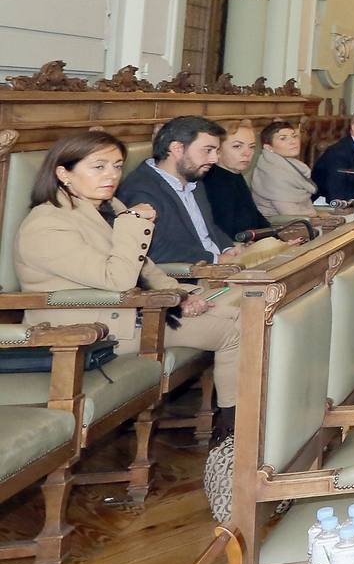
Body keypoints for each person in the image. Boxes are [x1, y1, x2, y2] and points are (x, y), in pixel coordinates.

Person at [16, 131, 245, 442]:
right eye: (99, 167)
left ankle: (245, 418)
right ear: (63, 173)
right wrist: (133, 223)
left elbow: (145, 268)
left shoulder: (103, 206)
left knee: (246, 307)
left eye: (117, 166)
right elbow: (118, 280)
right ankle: (232, 431)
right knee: (233, 332)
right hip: (86, 330)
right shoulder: (48, 224)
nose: (111, 175)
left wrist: (181, 295)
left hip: (132, 313)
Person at [115, 115, 241, 265]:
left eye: (216, 151)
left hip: (219, 266)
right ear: (177, 149)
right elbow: (153, 250)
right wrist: (215, 259)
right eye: (208, 150)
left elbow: (207, 228)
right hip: (191, 277)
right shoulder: (140, 189)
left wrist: (227, 247)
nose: (214, 159)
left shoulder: (193, 179)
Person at [200, 121, 272, 239]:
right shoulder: (212, 182)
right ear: (218, 150)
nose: (247, 153)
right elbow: (223, 233)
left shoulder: (234, 174)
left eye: (252, 147)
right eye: (237, 146)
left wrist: (277, 238)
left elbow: (255, 217)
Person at [250, 120, 318, 218]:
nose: (293, 141)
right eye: (283, 139)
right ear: (268, 148)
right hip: (279, 226)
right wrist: (314, 213)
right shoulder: (272, 173)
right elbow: (288, 213)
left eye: (294, 136)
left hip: (304, 220)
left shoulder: (294, 165)